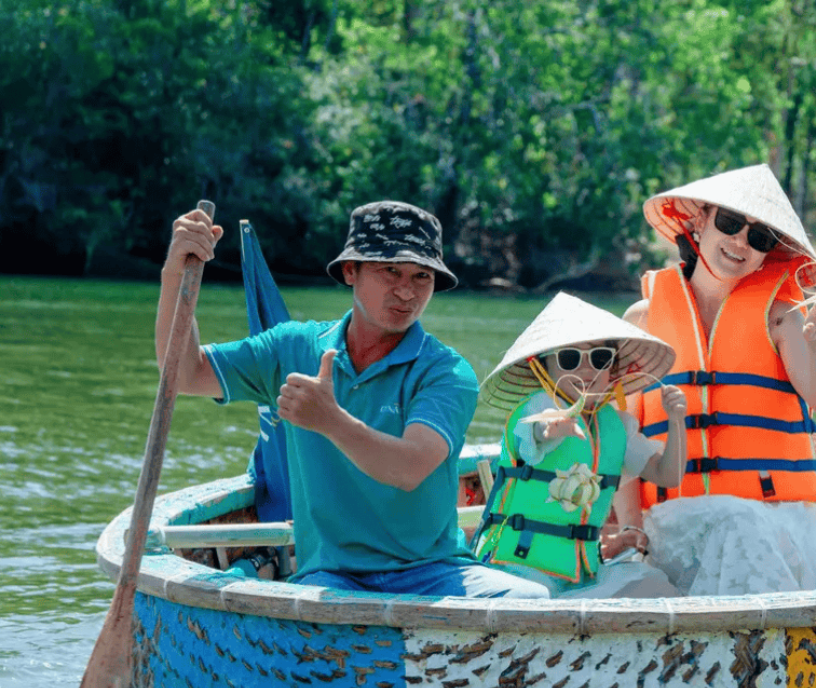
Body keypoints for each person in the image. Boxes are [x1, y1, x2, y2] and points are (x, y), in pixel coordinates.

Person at [158, 200, 548, 598]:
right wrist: (175, 273)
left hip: (432, 571)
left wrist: (330, 420)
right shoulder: (294, 347)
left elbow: (409, 468)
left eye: (422, 276)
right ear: (350, 271)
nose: (406, 291)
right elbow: (186, 373)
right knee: (311, 610)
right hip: (330, 576)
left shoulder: (446, 372)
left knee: (530, 600)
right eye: (390, 270)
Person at [616, 164, 816, 596]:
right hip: (674, 525)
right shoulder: (642, 320)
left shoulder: (783, 315)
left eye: (760, 238)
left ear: (769, 252)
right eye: (730, 223)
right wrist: (631, 530)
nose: (740, 242)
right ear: (699, 220)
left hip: (774, 518)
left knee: (739, 527)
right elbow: (620, 441)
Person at [472, 292, 686, 598]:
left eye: (599, 358)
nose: (586, 369)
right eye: (570, 358)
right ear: (545, 367)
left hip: (583, 571)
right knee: (533, 598)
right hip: (516, 566)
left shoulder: (616, 426)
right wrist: (553, 429)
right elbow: (536, 434)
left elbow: (669, 476)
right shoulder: (536, 409)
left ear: (612, 369)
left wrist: (677, 421)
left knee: (654, 584)